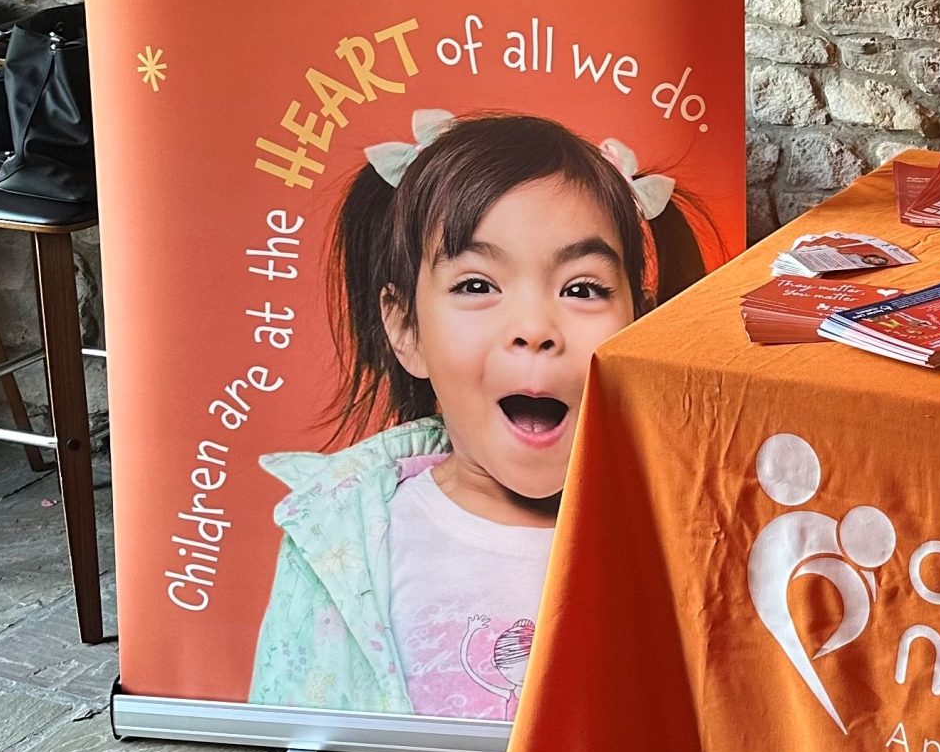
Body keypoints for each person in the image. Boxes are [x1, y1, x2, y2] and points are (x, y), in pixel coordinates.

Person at [250, 111, 673, 719]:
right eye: (477, 285)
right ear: (406, 328)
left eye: (582, 289)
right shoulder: (344, 541)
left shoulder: (685, 531)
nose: (534, 328)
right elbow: (289, 744)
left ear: (641, 328)